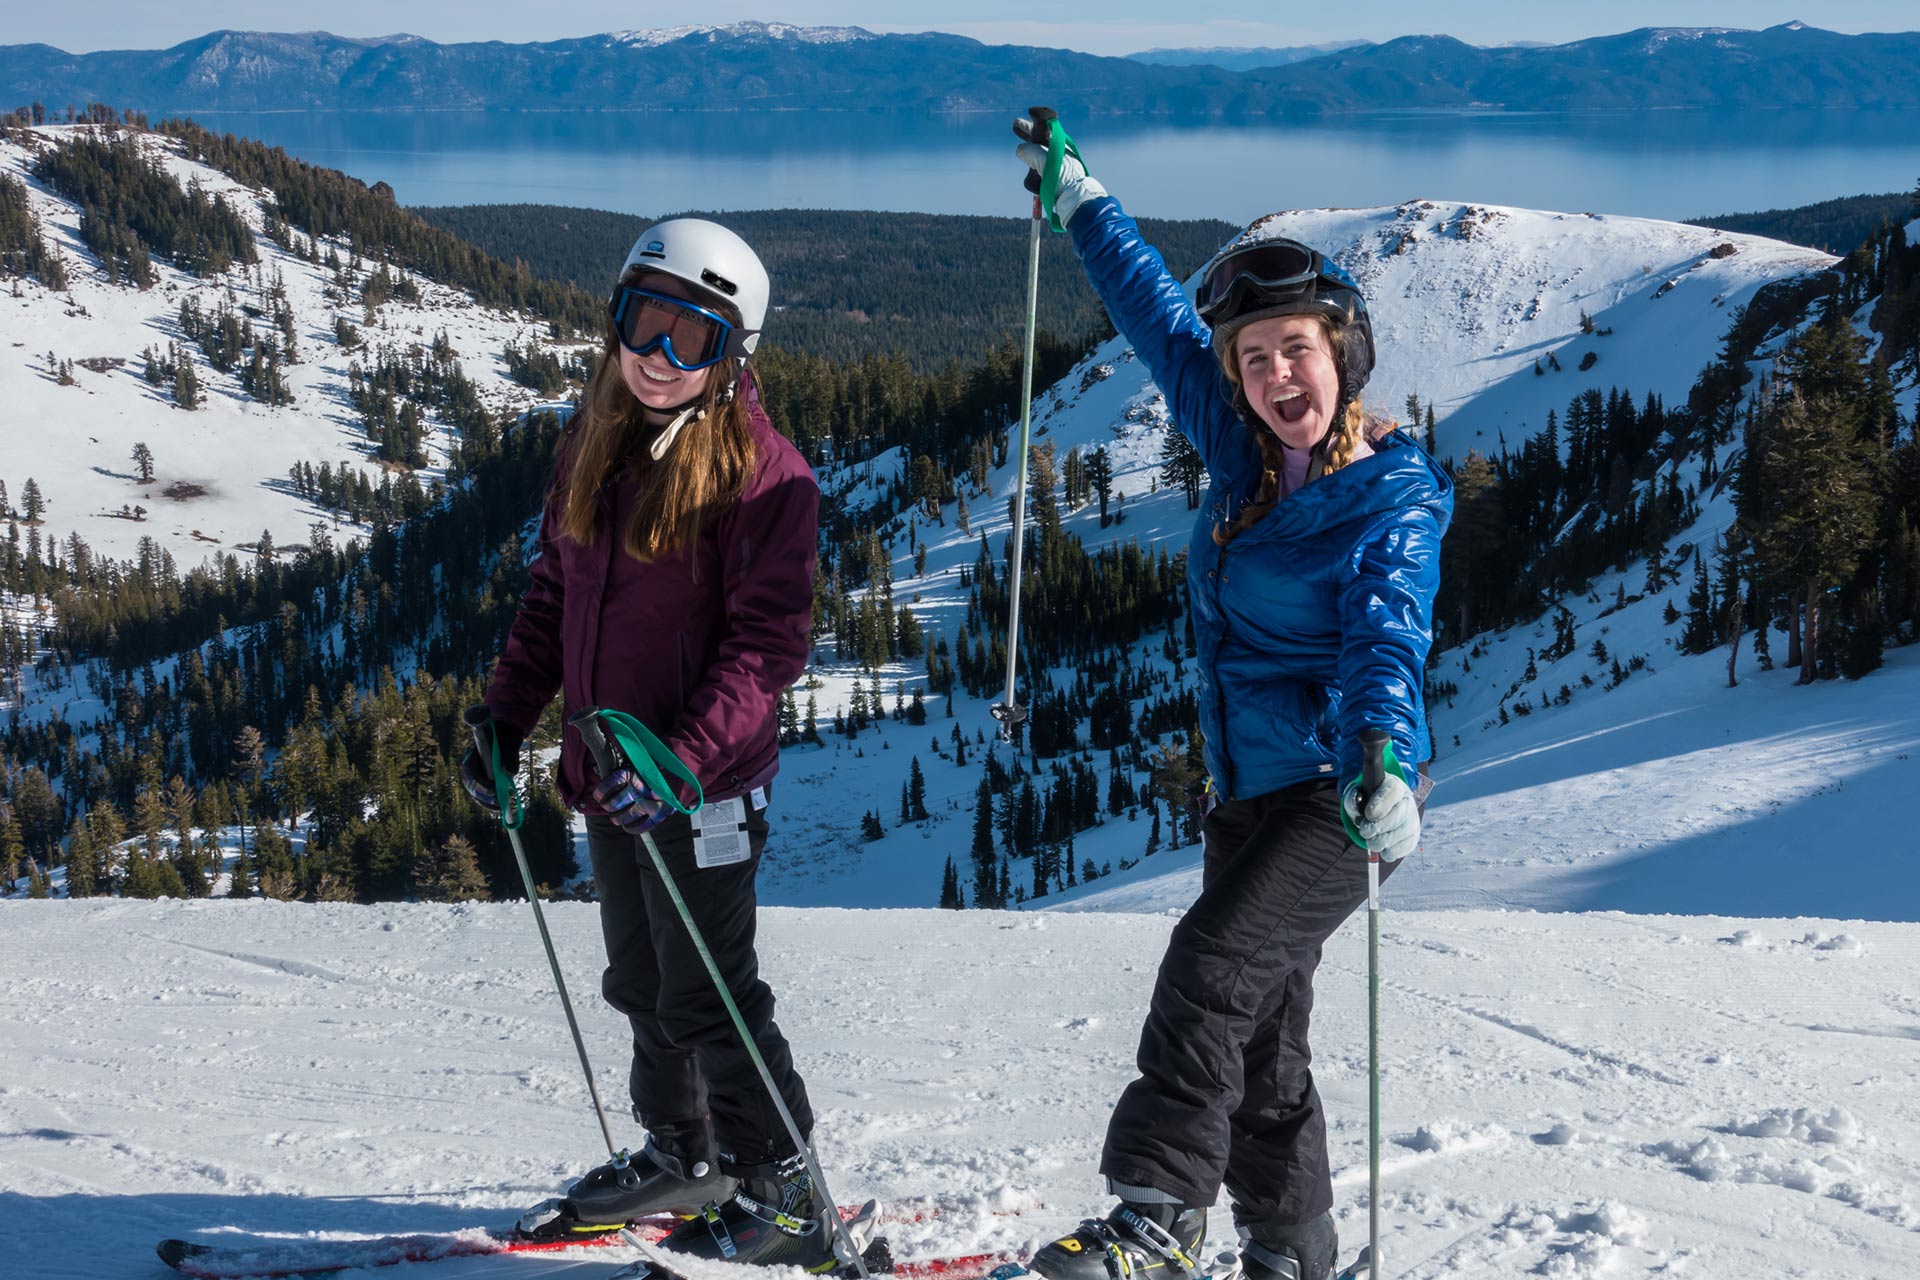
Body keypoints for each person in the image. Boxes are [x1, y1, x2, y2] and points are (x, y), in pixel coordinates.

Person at [1011, 113, 1453, 1280]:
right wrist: (1084, 202)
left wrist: (1384, 759)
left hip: (1338, 795)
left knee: (1209, 969)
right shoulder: (1246, 454)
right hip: (1250, 793)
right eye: (1254, 359)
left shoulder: (1390, 501)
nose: (1273, 376)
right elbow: (1159, 322)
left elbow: (1385, 641)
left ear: (1341, 354)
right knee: (1263, 1048)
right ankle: (1294, 1254)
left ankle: (1158, 1213)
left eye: (1294, 350)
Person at [461, 218, 834, 1269]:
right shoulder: (594, 441)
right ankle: (685, 1151)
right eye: (644, 322)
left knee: (711, 993)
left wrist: (682, 758)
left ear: (733, 355)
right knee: (639, 979)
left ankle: (785, 1190)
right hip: (612, 783)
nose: (658, 355)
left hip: (698, 791)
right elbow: (551, 599)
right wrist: (505, 713)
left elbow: (767, 649)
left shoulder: (762, 475)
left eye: (692, 338)